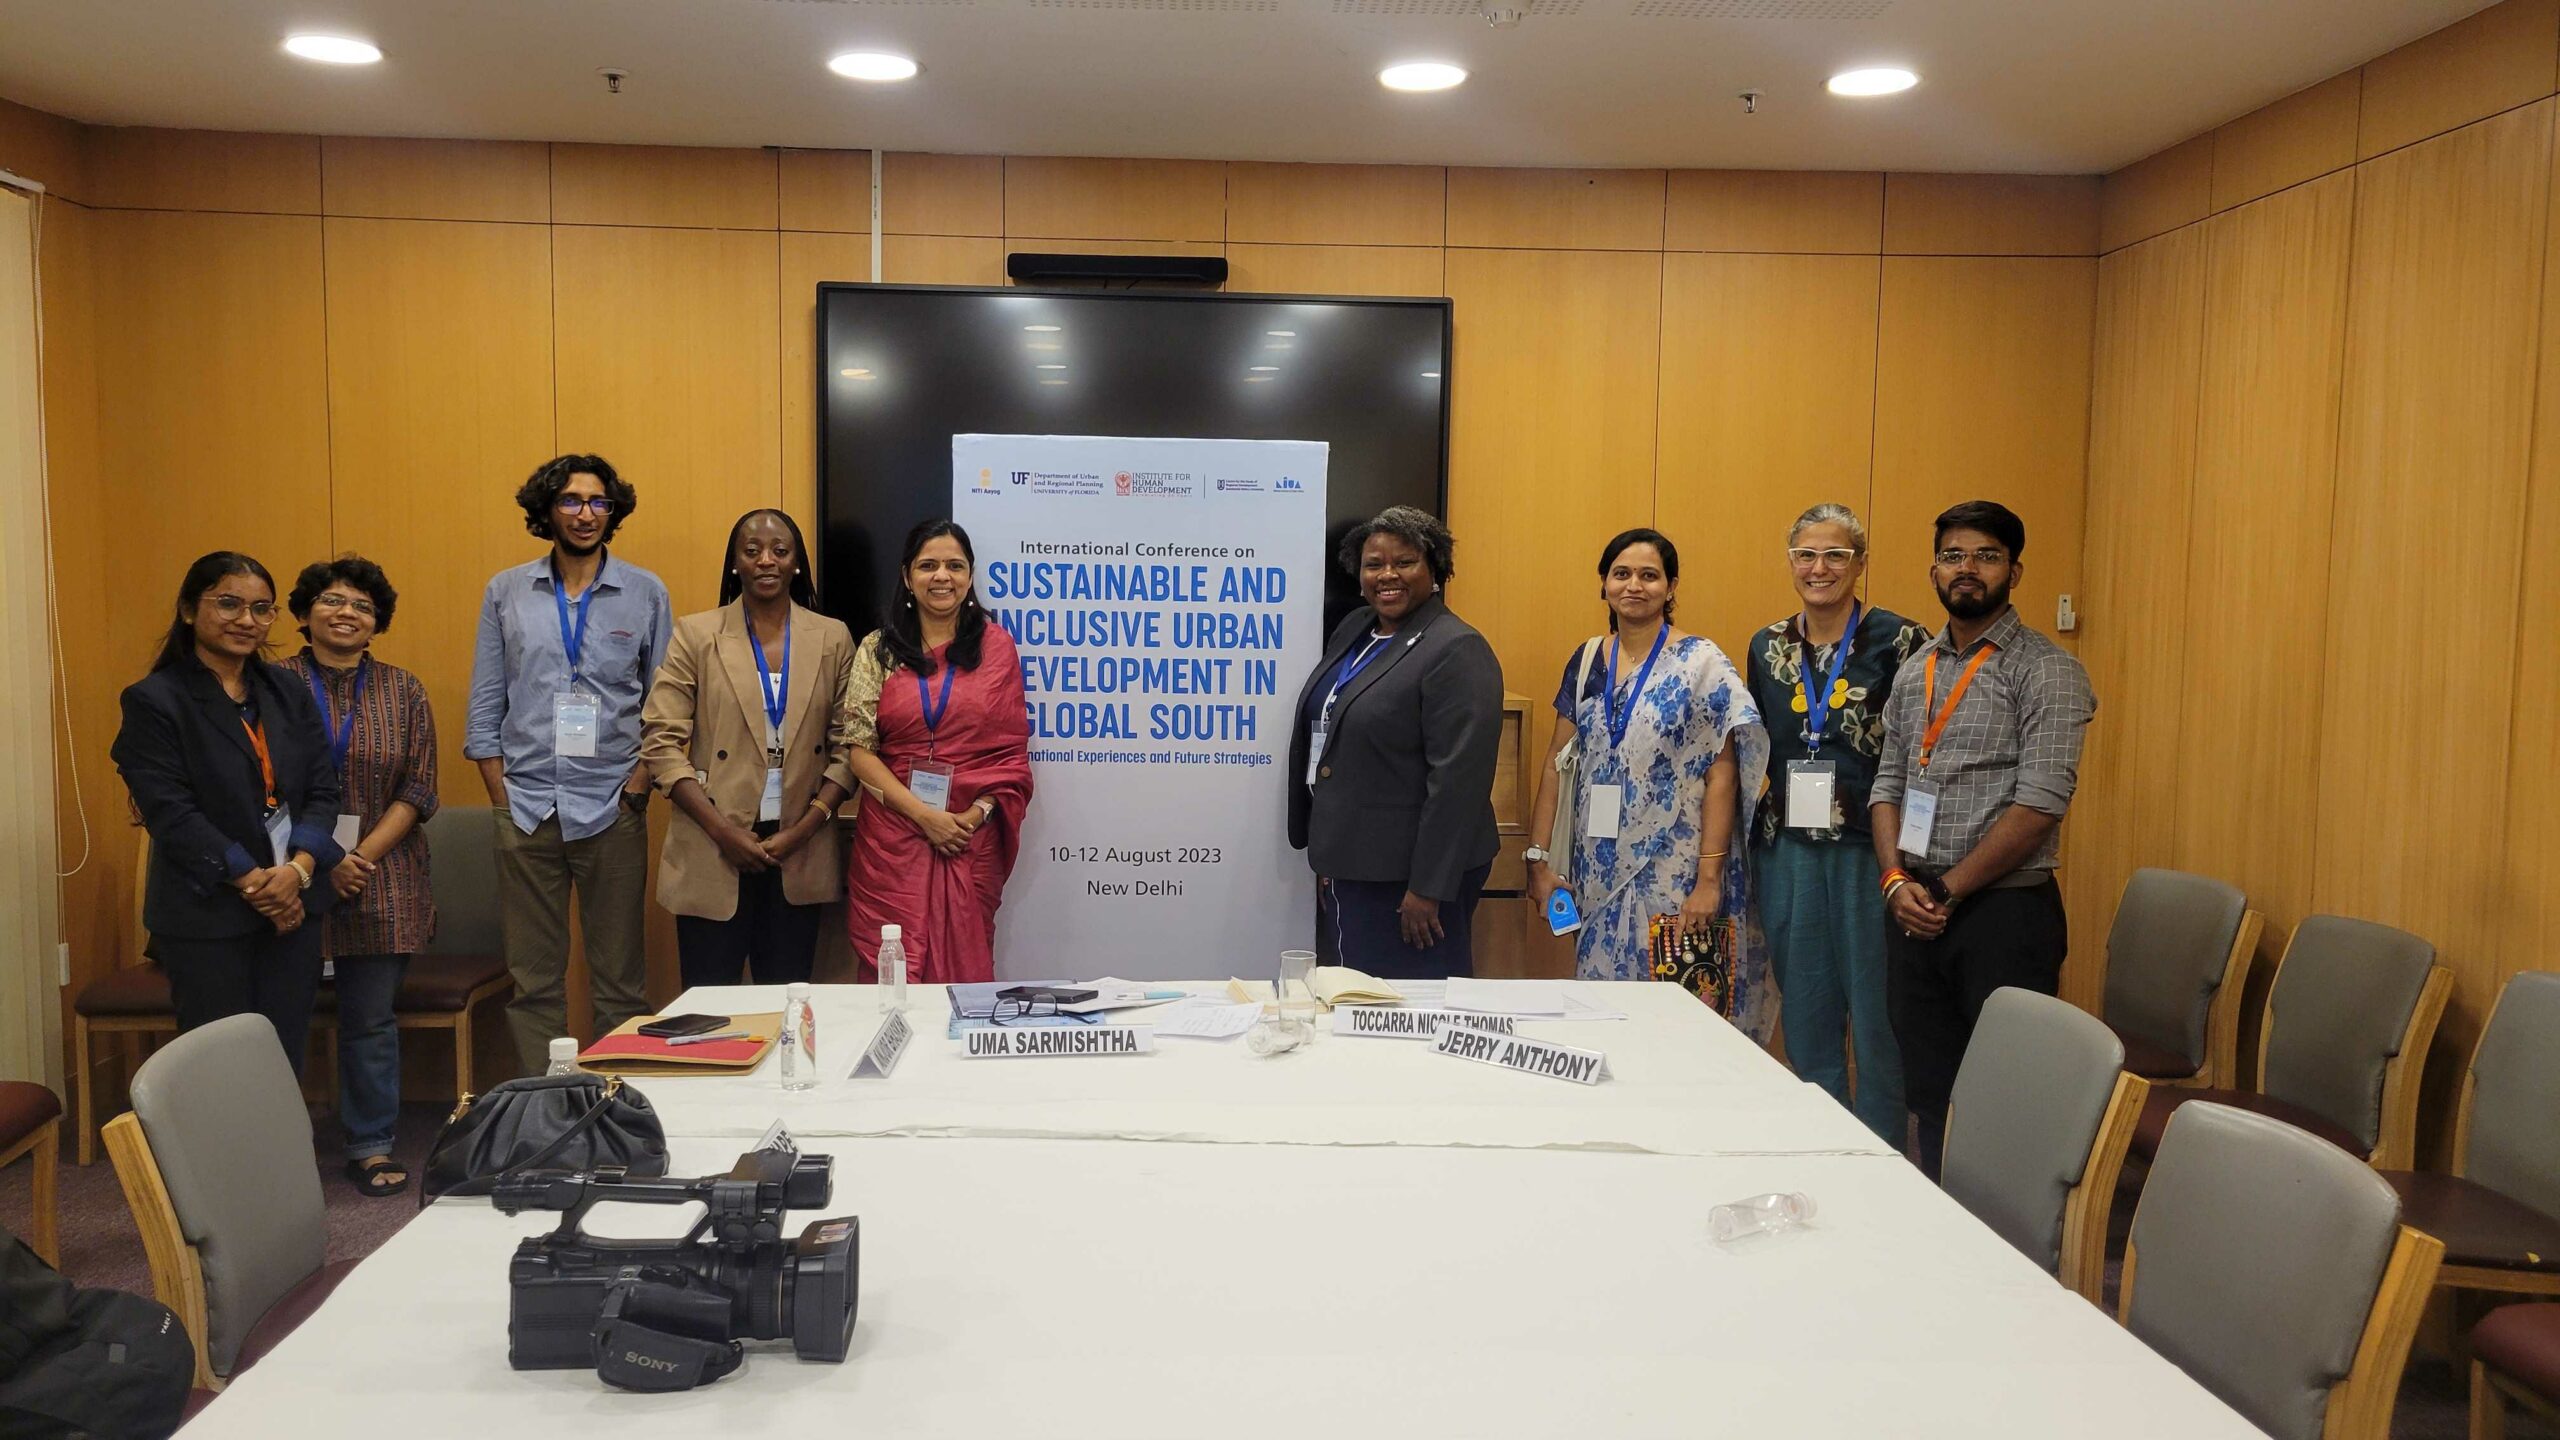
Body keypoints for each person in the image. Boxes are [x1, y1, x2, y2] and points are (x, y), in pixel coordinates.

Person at [1869, 499, 2096, 1180]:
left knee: (2005, 1095)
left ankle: (2011, 1248)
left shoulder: (2047, 670)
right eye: (1954, 556)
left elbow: (2041, 803)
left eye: (1986, 556)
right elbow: (1887, 785)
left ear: (2015, 571)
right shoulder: (1917, 670)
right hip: (1914, 908)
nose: (1967, 569)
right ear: (1934, 570)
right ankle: (1942, 1230)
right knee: (1930, 1091)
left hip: (2003, 913)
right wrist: (1896, 882)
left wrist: (1944, 888)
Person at [466, 455, 672, 1072]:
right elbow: (484, 704)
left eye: (598, 502)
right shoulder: (506, 590)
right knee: (534, 984)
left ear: (614, 512)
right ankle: (546, 1109)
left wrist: (637, 790)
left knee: (620, 984)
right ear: (546, 510)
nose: (586, 514)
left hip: (612, 807)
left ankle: (617, 1107)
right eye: (571, 501)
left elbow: (665, 704)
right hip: (526, 807)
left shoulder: (645, 592)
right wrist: (500, 798)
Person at [112, 552, 344, 1076]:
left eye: (262, 609)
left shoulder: (286, 691)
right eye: (229, 604)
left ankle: (277, 1159)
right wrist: (252, 879)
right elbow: (170, 812)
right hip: (208, 913)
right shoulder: (154, 700)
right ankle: (218, 1162)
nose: (246, 620)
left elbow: (323, 790)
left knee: (282, 1057)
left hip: (294, 905)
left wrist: (297, 872)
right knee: (220, 1066)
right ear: (190, 611)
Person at [1526, 529, 1769, 1028]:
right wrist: (1537, 859)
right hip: (1596, 869)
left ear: (1671, 586)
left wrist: (1708, 880)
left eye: (1649, 575)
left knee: (1677, 1023)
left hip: (1674, 872)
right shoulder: (1589, 661)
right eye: (1622, 574)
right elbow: (1557, 758)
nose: (1634, 585)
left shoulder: (1702, 664)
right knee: (1603, 1015)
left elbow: (1723, 773)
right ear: (1604, 584)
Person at [1744, 505, 1933, 1145]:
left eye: (1835, 556)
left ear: (1859, 563)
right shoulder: (1766, 645)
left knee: (1877, 1014)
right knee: (1807, 1006)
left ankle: (1879, 1150)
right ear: (1790, 560)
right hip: (1789, 851)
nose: (1818, 568)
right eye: (1806, 555)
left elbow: (1919, 748)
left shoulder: (1903, 640)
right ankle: (1820, 1143)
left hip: (1869, 849)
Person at [642, 510, 859, 990]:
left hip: (798, 850)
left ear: (796, 562)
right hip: (712, 843)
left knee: (787, 1008)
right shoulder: (696, 634)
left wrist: (806, 827)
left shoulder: (832, 637)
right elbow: (660, 741)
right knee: (707, 1011)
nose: (767, 560)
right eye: (752, 550)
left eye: (780, 551)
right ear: (735, 562)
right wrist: (723, 832)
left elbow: (851, 746)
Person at [278, 556, 439, 1197]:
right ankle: (274, 1150)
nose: (347, 613)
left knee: (369, 1018)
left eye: (363, 607)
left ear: (377, 624)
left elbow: (419, 786)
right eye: (333, 601)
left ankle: (370, 1144)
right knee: (274, 1019)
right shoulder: (271, 683)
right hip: (286, 870)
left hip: (384, 875)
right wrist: (316, 860)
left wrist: (358, 858)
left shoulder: (404, 689)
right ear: (303, 613)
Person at [1287, 506, 1503, 979]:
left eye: (1404, 562)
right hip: (1356, 862)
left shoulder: (1456, 648)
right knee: (1347, 998)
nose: (1387, 575)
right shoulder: (1357, 629)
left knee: (1406, 1014)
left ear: (1436, 568)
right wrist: (1331, 849)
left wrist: (1428, 888)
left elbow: (1458, 782)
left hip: (1411, 880)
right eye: (1373, 564)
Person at [843, 520, 1033, 986]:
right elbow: (860, 751)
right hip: (892, 837)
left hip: (969, 836)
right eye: (928, 565)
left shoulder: (997, 649)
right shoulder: (878, 649)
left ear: (970, 577)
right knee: (892, 970)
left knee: (964, 971)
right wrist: (924, 817)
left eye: (955, 565)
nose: (942, 576)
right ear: (908, 576)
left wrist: (971, 817)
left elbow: (1010, 756)